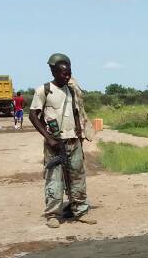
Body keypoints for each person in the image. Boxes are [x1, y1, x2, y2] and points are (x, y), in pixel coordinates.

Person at [29, 53, 97, 227]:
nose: (67, 77)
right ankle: (53, 215)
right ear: (53, 72)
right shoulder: (43, 90)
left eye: (69, 73)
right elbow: (33, 116)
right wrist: (48, 138)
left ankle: (80, 210)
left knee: (77, 177)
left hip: (73, 140)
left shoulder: (72, 90)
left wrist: (81, 135)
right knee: (54, 179)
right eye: (63, 74)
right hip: (55, 143)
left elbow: (77, 113)